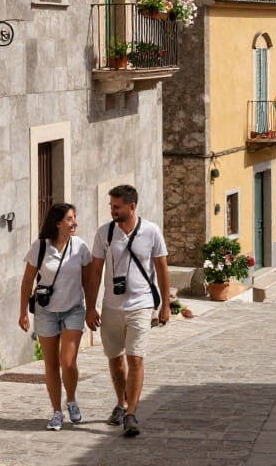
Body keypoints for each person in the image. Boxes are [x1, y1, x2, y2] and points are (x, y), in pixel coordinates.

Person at [85, 185, 171, 438]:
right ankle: (121, 404)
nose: (113, 211)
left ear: (131, 207)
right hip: (112, 306)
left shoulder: (151, 232)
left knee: (135, 358)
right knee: (115, 357)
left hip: (141, 305)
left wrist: (165, 304)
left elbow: (162, 268)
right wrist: (91, 306)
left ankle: (131, 414)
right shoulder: (105, 234)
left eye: (117, 206)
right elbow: (95, 273)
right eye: (112, 206)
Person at [19, 202, 93, 431]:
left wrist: (91, 309)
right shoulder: (40, 248)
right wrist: (22, 311)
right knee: (51, 364)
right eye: (70, 219)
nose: (74, 223)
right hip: (46, 311)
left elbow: (88, 282)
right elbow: (27, 280)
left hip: (73, 309)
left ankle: (71, 399)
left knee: (68, 361)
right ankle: (57, 412)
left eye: (74, 218)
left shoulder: (80, 247)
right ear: (58, 222)